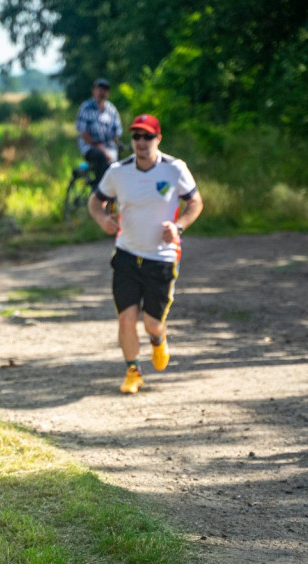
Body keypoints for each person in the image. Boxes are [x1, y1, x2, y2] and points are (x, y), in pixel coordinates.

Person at [88, 114, 203, 394]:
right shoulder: (118, 171)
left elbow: (195, 202)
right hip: (126, 254)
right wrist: (103, 219)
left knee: (152, 323)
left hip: (161, 257)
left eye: (147, 136)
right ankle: (133, 371)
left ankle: (158, 339)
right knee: (126, 318)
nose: (141, 142)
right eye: (136, 136)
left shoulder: (175, 169)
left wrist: (178, 227)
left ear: (158, 138)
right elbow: (96, 201)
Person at [76, 78, 123, 184]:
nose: (101, 92)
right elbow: (84, 133)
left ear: (108, 93)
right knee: (101, 157)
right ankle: (100, 189)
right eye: (99, 89)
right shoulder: (86, 108)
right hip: (90, 148)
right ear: (94, 91)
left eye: (104, 90)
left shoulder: (112, 110)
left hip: (110, 149)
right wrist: (101, 148)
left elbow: (117, 132)